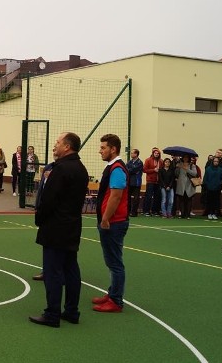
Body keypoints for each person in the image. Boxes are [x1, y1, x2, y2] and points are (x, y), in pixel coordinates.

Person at [28, 132, 89, 327]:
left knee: (53, 271)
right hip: (72, 226)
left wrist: (40, 219)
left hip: (55, 227)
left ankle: (52, 313)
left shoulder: (61, 169)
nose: (55, 146)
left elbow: (49, 200)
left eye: (57, 143)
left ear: (67, 147)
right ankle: (72, 311)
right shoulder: (81, 168)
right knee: (71, 269)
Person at [92, 133, 129, 313]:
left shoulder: (117, 169)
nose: (100, 151)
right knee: (111, 261)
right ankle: (112, 293)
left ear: (113, 149)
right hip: (111, 222)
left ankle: (116, 300)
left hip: (114, 223)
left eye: (103, 148)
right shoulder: (112, 167)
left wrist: (106, 218)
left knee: (115, 262)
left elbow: (116, 196)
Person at [142, 147, 161, 216]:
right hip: (150, 181)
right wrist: (153, 170)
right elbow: (144, 170)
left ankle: (155, 211)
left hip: (158, 181)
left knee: (157, 197)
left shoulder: (161, 161)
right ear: (153, 153)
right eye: (155, 153)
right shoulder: (148, 160)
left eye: (158, 153)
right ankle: (146, 211)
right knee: (148, 196)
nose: (156, 154)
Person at [126, 149, 143, 217]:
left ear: (136, 154)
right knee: (128, 198)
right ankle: (128, 211)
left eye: (132, 153)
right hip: (129, 182)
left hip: (136, 182)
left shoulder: (139, 162)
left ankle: (134, 212)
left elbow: (133, 170)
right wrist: (130, 170)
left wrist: (129, 170)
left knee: (136, 198)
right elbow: (126, 168)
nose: (131, 154)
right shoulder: (129, 162)